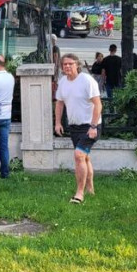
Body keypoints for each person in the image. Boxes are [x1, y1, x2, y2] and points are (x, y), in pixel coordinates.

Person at [54, 53, 102, 204]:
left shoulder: (87, 80)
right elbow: (59, 103)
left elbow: (98, 104)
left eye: (70, 64)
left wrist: (93, 126)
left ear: (77, 65)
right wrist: (57, 123)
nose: (67, 66)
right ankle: (90, 189)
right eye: (64, 64)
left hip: (91, 125)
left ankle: (79, 193)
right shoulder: (63, 82)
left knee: (79, 155)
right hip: (74, 126)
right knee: (85, 158)